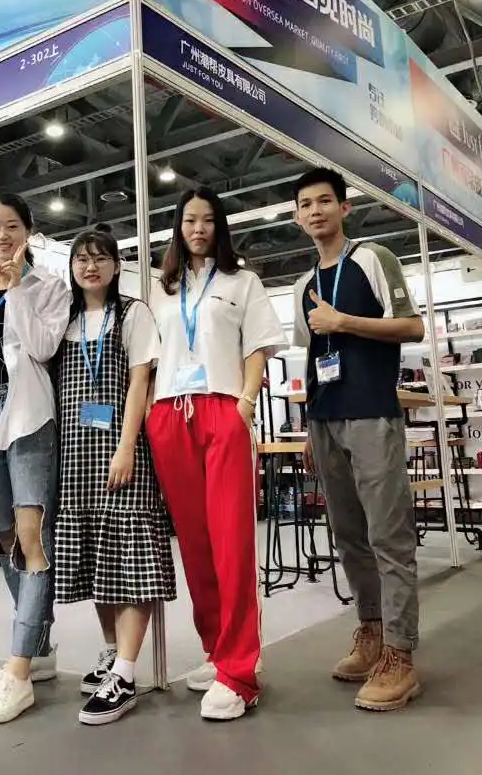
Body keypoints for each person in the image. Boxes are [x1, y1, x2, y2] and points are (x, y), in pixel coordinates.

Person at [146, 187, 286, 721]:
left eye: (207, 220)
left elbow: (258, 347)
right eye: (189, 220)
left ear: (220, 226)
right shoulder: (161, 289)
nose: (198, 229)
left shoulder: (241, 282)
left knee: (231, 540)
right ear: (177, 226)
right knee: (196, 544)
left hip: (224, 407)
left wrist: (244, 404)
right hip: (169, 414)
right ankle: (217, 649)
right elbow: (149, 359)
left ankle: (240, 671)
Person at [292, 167, 424, 712]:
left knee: (389, 535)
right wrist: (308, 425)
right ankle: (371, 631)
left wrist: (344, 321)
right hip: (326, 420)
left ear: (343, 208)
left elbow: (412, 327)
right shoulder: (303, 284)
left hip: (372, 414)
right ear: (297, 217)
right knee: (349, 536)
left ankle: (401, 654)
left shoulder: (373, 258)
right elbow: (310, 356)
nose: (316, 211)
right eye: (306, 204)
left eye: (325, 201)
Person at [55, 224, 176, 726]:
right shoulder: (63, 318)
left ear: (116, 265)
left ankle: (125, 673)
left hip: (120, 451)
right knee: (95, 557)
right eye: (82, 258)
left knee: (131, 558)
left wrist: (126, 447)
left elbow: (140, 380)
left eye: (100, 257)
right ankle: (110, 652)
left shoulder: (132, 313)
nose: (91, 266)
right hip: (74, 455)